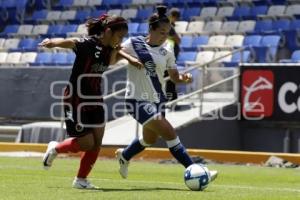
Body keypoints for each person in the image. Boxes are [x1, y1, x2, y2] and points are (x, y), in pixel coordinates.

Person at [115, 6, 218, 182]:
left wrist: (184, 79)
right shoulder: (134, 43)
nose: (165, 37)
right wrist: (129, 58)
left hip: (157, 100)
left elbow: (174, 77)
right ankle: (196, 170)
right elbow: (114, 55)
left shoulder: (168, 51)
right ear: (151, 29)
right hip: (136, 100)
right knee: (169, 132)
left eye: (168, 33)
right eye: (162, 32)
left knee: (149, 139)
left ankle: (124, 155)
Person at [40, 14, 142, 189]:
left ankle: (81, 180)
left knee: (97, 142)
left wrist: (125, 55)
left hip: (95, 97)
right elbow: (71, 42)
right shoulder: (88, 44)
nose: (121, 40)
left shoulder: (109, 49)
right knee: (86, 143)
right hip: (76, 98)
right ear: (108, 31)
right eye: (120, 36)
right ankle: (56, 148)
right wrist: (53, 43)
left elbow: (110, 60)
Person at [164, 7, 181, 102]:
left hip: (170, 54)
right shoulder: (169, 25)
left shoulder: (169, 25)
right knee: (167, 74)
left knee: (168, 74)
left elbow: (178, 40)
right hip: (168, 53)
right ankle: (170, 96)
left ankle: (172, 96)